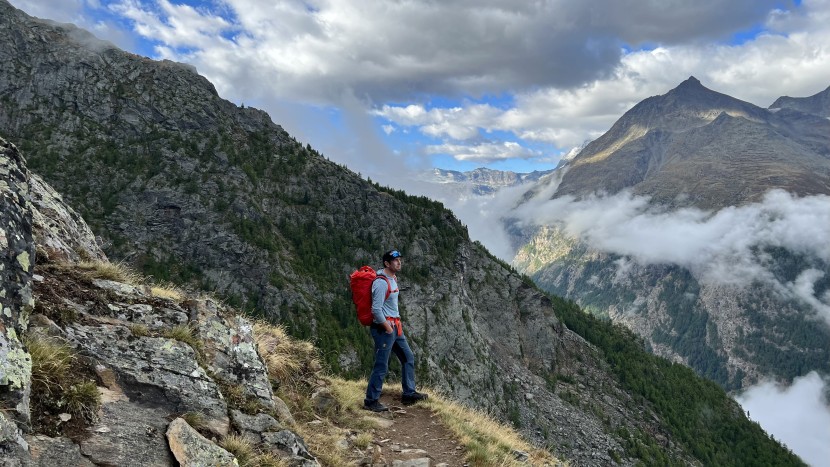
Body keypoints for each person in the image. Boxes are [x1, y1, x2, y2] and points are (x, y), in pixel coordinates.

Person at [363, 249, 428, 412]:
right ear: (387, 263)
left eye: (400, 259)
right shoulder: (381, 282)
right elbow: (376, 310)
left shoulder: (392, 278)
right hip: (385, 329)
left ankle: (409, 394)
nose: (399, 262)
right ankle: (371, 401)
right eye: (395, 260)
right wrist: (387, 328)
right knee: (381, 365)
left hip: (395, 327)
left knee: (408, 358)